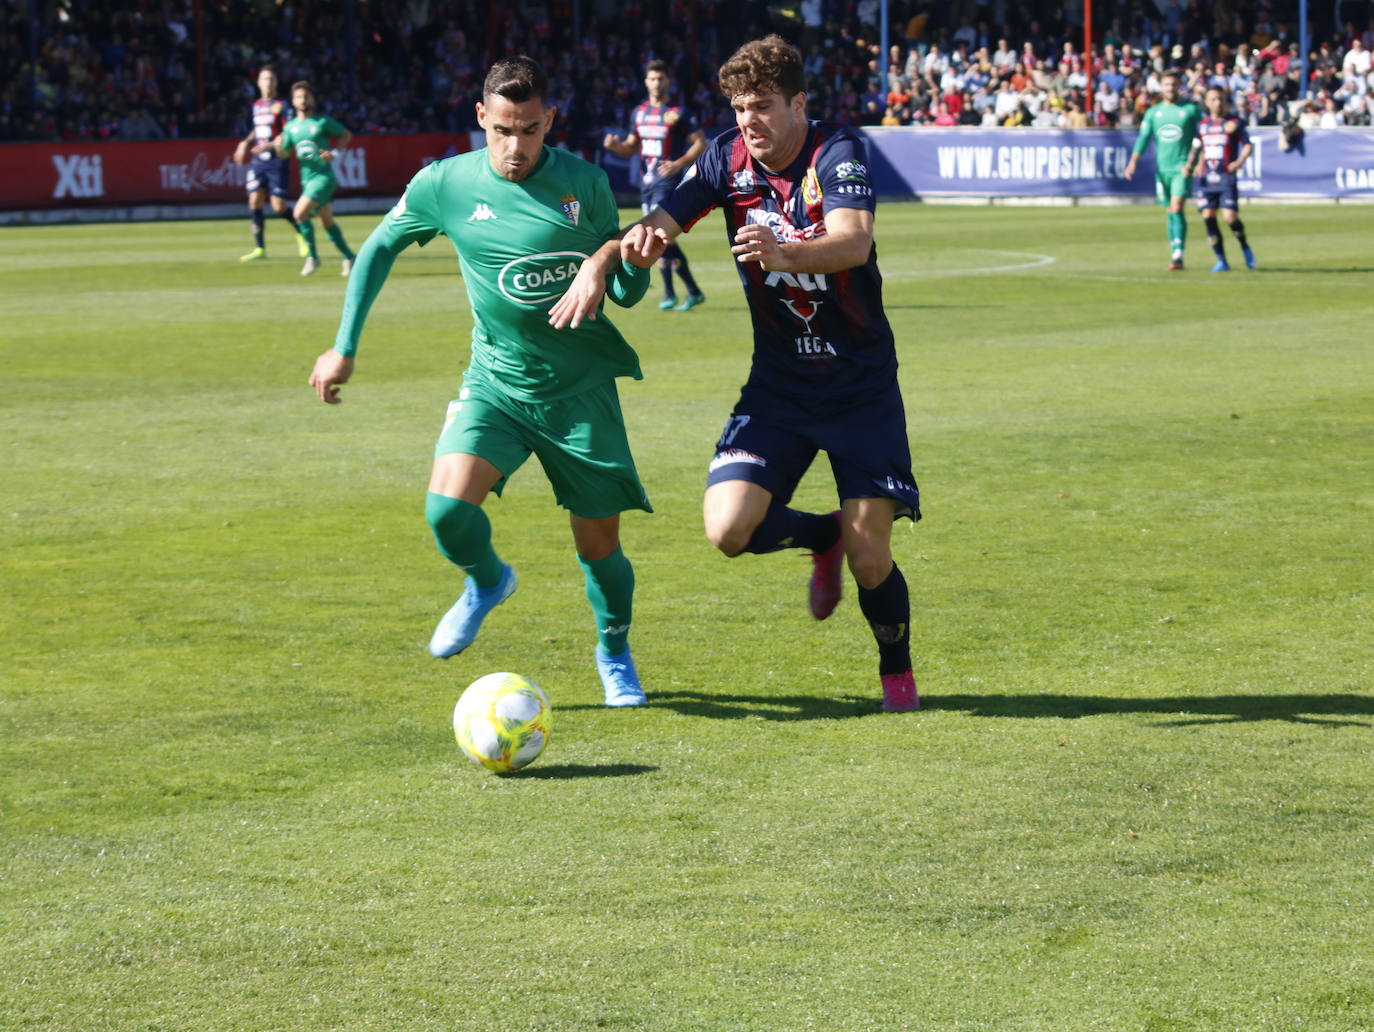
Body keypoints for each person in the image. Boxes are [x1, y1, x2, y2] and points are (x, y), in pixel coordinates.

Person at [557, 35, 922, 712]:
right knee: (727, 528)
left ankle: (895, 670)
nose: (749, 120)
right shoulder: (726, 156)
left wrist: (786, 249)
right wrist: (623, 250)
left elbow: (854, 240)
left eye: (762, 107)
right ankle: (823, 535)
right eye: (740, 106)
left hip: (859, 386)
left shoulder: (837, 152)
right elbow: (659, 225)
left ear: (799, 104)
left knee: (873, 560)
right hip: (780, 383)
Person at [308, 56, 665, 707]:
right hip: (496, 383)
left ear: (548, 121)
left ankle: (613, 651)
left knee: (600, 548)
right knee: (445, 509)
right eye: (503, 129)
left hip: (580, 394)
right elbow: (379, 249)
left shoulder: (585, 183)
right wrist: (343, 347)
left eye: (529, 130)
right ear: (481, 118)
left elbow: (625, 290)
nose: (515, 146)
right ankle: (487, 581)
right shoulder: (442, 184)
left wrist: (631, 266)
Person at [603, 60, 708, 311]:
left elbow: (700, 143)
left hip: (667, 182)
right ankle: (689, 291)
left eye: (661, 79)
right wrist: (615, 147)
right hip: (647, 182)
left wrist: (678, 163)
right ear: (645, 82)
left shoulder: (679, 112)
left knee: (663, 236)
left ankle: (673, 293)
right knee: (659, 238)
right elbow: (631, 146)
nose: (656, 83)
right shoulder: (639, 112)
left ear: (668, 81)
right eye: (652, 79)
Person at [255, 81, 356, 277]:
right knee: (326, 222)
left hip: (324, 178)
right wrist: (279, 146)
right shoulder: (291, 127)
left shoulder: (322, 122)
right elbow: (284, 154)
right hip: (307, 180)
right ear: (293, 101)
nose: (303, 100)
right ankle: (350, 257)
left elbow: (345, 135)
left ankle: (313, 258)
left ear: (313, 99)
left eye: (306, 96)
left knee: (299, 213)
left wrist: (334, 153)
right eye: (299, 97)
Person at [1124, 69, 1201, 270]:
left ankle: (1178, 254)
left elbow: (1202, 137)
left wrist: (1198, 161)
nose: (1170, 88)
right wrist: (1133, 162)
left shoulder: (1190, 110)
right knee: (1170, 211)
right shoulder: (1153, 112)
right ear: (1161, 87)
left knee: (1177, 207)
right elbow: (1143, 138)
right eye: (1167, 85)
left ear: (1179, 86)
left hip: (1182, 167)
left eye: (1174, 85)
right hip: (1162, 169)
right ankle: (1175, 250)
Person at [232, 66, 306, 263]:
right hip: (258, 161)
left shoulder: (283, 105)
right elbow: (256, 130)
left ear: (276, 83)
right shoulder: (256, 105)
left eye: (272, 79)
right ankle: (259, 247)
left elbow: (288, 131)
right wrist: (244, 144)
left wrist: (270, 146)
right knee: (254, 200)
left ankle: (302, 233)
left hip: (277, 159)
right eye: (265, 79)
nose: (268, 82)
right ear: (258, 83)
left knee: (278, 206)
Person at [1183, 85, 1256, 272]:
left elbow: (1248, 145)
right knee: (1208, 216)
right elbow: (1197, 147)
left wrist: (1239, 162)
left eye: (1221, 99)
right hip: (1207, 180)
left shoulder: (1234, 122)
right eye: (1214, 99)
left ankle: (1245, 246)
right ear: (1207, 102)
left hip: (1226, 179)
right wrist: (1191, 165)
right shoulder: (1203, 125)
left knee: (1230, 217)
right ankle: (1222, 260)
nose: (1218, 102)